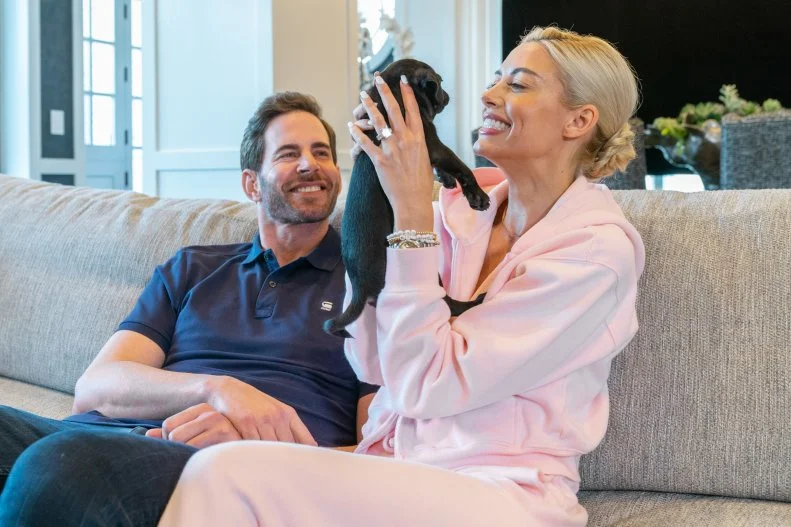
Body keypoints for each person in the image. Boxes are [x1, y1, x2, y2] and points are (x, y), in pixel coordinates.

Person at [157, 26, 646, 527]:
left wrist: (411, 210)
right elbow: (371, 359)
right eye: (496, 79)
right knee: (216, 470)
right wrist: (382, 200)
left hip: (501, 494)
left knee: (229, 474)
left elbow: (426, 387)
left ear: (579, 120)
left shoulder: (594, 252)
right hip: (398, 467)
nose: (487, 95)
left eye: (517, 85)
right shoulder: (462, 217)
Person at [0, 92, 377, 526]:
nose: (310, 165)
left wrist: (255, 450)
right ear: (252, 184)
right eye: (289, 154)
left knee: (58, 467)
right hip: (96, 436)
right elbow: (96, 387)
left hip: (213, 470)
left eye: (322, 153)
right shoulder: (194, 266)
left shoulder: (367, 282)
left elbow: (379, 450)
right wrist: (218, 391)